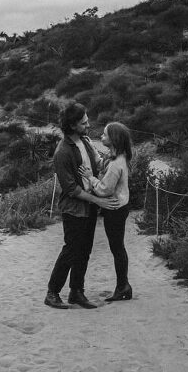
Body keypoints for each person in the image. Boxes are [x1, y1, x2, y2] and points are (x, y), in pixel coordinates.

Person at [45, 102, 104, 309]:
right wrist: (98, 200)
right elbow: (71, 189)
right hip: (74, 209)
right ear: (71, 125)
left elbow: (96, 164)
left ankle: (76, 292)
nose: (88, 125)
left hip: (89, 208)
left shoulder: (85, 141)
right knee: (71, 250)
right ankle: (52, 293)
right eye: (83, 122)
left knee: (85, 250)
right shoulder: (62, 152)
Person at [79, 121, 133, 302]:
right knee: (118, 247)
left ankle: (123, 286)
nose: (101, 137)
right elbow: (102, 162)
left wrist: (90, 178)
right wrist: (91, 148)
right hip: (120, 207)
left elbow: (104, 189)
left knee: (117, 248)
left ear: (114, 139)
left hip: (114, 209)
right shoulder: (118, 157)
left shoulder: (116, 163)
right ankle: (123, 285)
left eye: (104, 135)